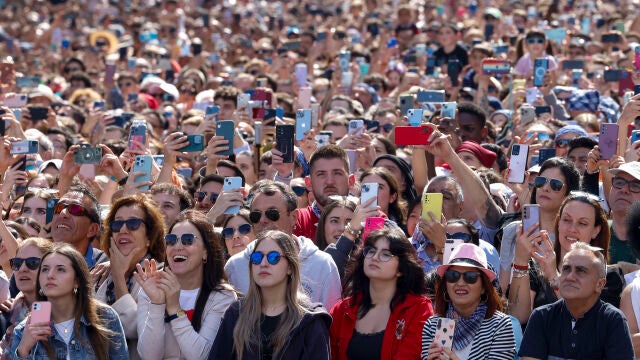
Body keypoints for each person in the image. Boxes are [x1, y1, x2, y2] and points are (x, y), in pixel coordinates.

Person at [209, 230, 332, 359]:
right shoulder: (236, 314)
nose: (263, 263)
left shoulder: (310, 321)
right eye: (257, 257)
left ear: (290, 267)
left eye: (273, 257)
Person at [135, 210, 237, 359]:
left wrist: (175, 309)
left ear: (205, 252)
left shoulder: (223, 297)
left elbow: (202, 356)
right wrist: (157, 304)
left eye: (188, 240)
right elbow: (149, 356)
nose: (177, 246)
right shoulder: (150, 290)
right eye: (171, 240)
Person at [225, 180, 342, 309]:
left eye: (272, 213)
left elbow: (331, 320)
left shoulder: (322, 263)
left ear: (293, 217)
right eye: (256, 215)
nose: (263, 220)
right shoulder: (235, 266)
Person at [9, 243, 129, 359]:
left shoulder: (105, 317)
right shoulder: (24, 329)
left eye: (60, 270)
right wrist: (23, 350)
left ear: (77, 280)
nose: (50, 275)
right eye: (45, 269)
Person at [330, 224, 433, 360]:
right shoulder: (342, 309)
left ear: (401, 268)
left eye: (386, 254)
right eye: (371, 251)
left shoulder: (419, 309)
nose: (375, 257)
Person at [519, 242, 634, 359]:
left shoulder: (613, 320)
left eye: (581, 271)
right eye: (566, 269)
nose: (570, 277)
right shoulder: (541, 317)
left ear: (600, 284)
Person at [94, 194, 166, 360]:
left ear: (149, 237)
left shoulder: (160, 275)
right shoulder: (99, 274)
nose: (123, 230)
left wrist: (119, 277)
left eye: (133, 224)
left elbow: (133, 328)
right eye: (117, 224)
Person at [422, 243, 515, 360]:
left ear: (484, 287)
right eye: (452, 276)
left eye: (470, 277)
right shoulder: (432, 325)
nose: (460, 283)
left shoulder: (500, 325)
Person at [0, 238, 53, 359]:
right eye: (17, 263)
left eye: (33, 262)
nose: (22, 268)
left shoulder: (66, 312)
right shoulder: (8, 314)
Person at [294, 145, 353, 242]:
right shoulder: (297, 220)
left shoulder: (371, 217)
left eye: (337, 173)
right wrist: (284, 175)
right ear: (309, 183)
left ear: (351, 181)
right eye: (321, 174)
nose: (330, 181)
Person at [49, 184, 109, 269]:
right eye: (58, 208)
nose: (62, 213)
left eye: (75, 209)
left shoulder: (107, 268)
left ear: (92, 229)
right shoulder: (34, 259)